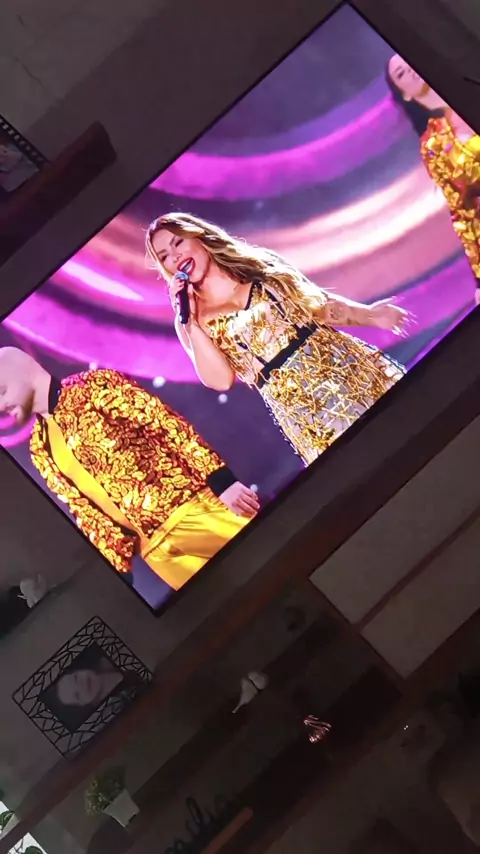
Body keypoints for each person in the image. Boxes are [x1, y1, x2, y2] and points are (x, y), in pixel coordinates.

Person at [145, 213, 408, 466]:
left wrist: (370, 315)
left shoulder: (257, 266)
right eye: (164, 256)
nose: (175, 256)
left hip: (345, 366)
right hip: (303, 409)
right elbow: (221, 380)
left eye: (178, 242)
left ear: (199, 236)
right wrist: (190, 323)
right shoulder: (190, 321)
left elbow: (318, 307)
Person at [0, 348, 259, 590]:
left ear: (23, 370)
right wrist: (117, 566)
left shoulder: (92, 386)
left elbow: (162, 422)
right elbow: (84, 509)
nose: (1, 406)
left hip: (195, 511)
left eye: (2, 391)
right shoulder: (40, 448)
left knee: (263, 556)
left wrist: (221, 479)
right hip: (156, 553)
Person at [387, 53, 480, 305]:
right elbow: (463, 211)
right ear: (404, 94)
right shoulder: (433, 146)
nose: (410, 71)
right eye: (401, 73)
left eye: (409, 64)